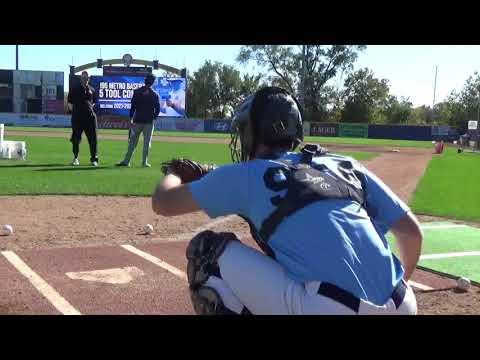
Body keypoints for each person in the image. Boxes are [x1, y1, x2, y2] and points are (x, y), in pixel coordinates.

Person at [151, 87, 423, 315]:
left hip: (330, 309)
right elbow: (412, 233)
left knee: (206, 252)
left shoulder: (247, 174)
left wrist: (175, 171)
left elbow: (162, 202)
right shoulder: (342, 163)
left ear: (254, 132)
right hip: (403, 301)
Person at [117, 73, 160, 168]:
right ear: (152, 82)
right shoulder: (154, 94)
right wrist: (153, 117)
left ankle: (126, 161)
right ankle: (144, 162)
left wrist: (130, 118)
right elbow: (157, 109)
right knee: (146, 143)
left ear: (145, 81)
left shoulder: (137, 91)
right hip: (148, 122)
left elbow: (133, 106)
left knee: (132, 142)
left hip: (137, 120)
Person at [67, 71, 99, 166]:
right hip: (77, 118)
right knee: (76, 139)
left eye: (87, 78)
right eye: (84, 78)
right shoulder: (75, 89)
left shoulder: (92, 90)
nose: (85, 79)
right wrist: (74, 112)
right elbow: (69, 102)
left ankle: (94, 159)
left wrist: (89, 108)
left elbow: (94, 102)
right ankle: (75, 158)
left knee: (93, 139)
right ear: (81, 78)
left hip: (90, 118)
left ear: (89, 79)